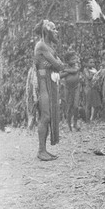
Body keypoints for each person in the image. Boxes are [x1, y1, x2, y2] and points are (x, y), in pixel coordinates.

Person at [32, 19, 64, 161]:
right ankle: (41, 150)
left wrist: (55, 64)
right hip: (42, 82)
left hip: (48, 82)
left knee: (48, 116)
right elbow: (58, 64)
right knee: (45, 116)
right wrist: (55, 64)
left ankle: (43, 150)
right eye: (54, 29)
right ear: (47, 31)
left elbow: (57, 65)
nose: (57, 32)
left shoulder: (48, 46)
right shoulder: (42, 46)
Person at [60, 51, 81, 131]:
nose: (75, 60)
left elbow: (75, 71)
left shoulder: (77, 65)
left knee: (76, 106)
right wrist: (67, 71)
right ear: (67, 61)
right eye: (72, 59)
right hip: (67, 88)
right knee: (69, 106)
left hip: (76, 87)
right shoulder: (65, 67)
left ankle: (75, 123)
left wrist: (66, 71)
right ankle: (69, 125)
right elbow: (60, 76)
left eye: (75, 58)